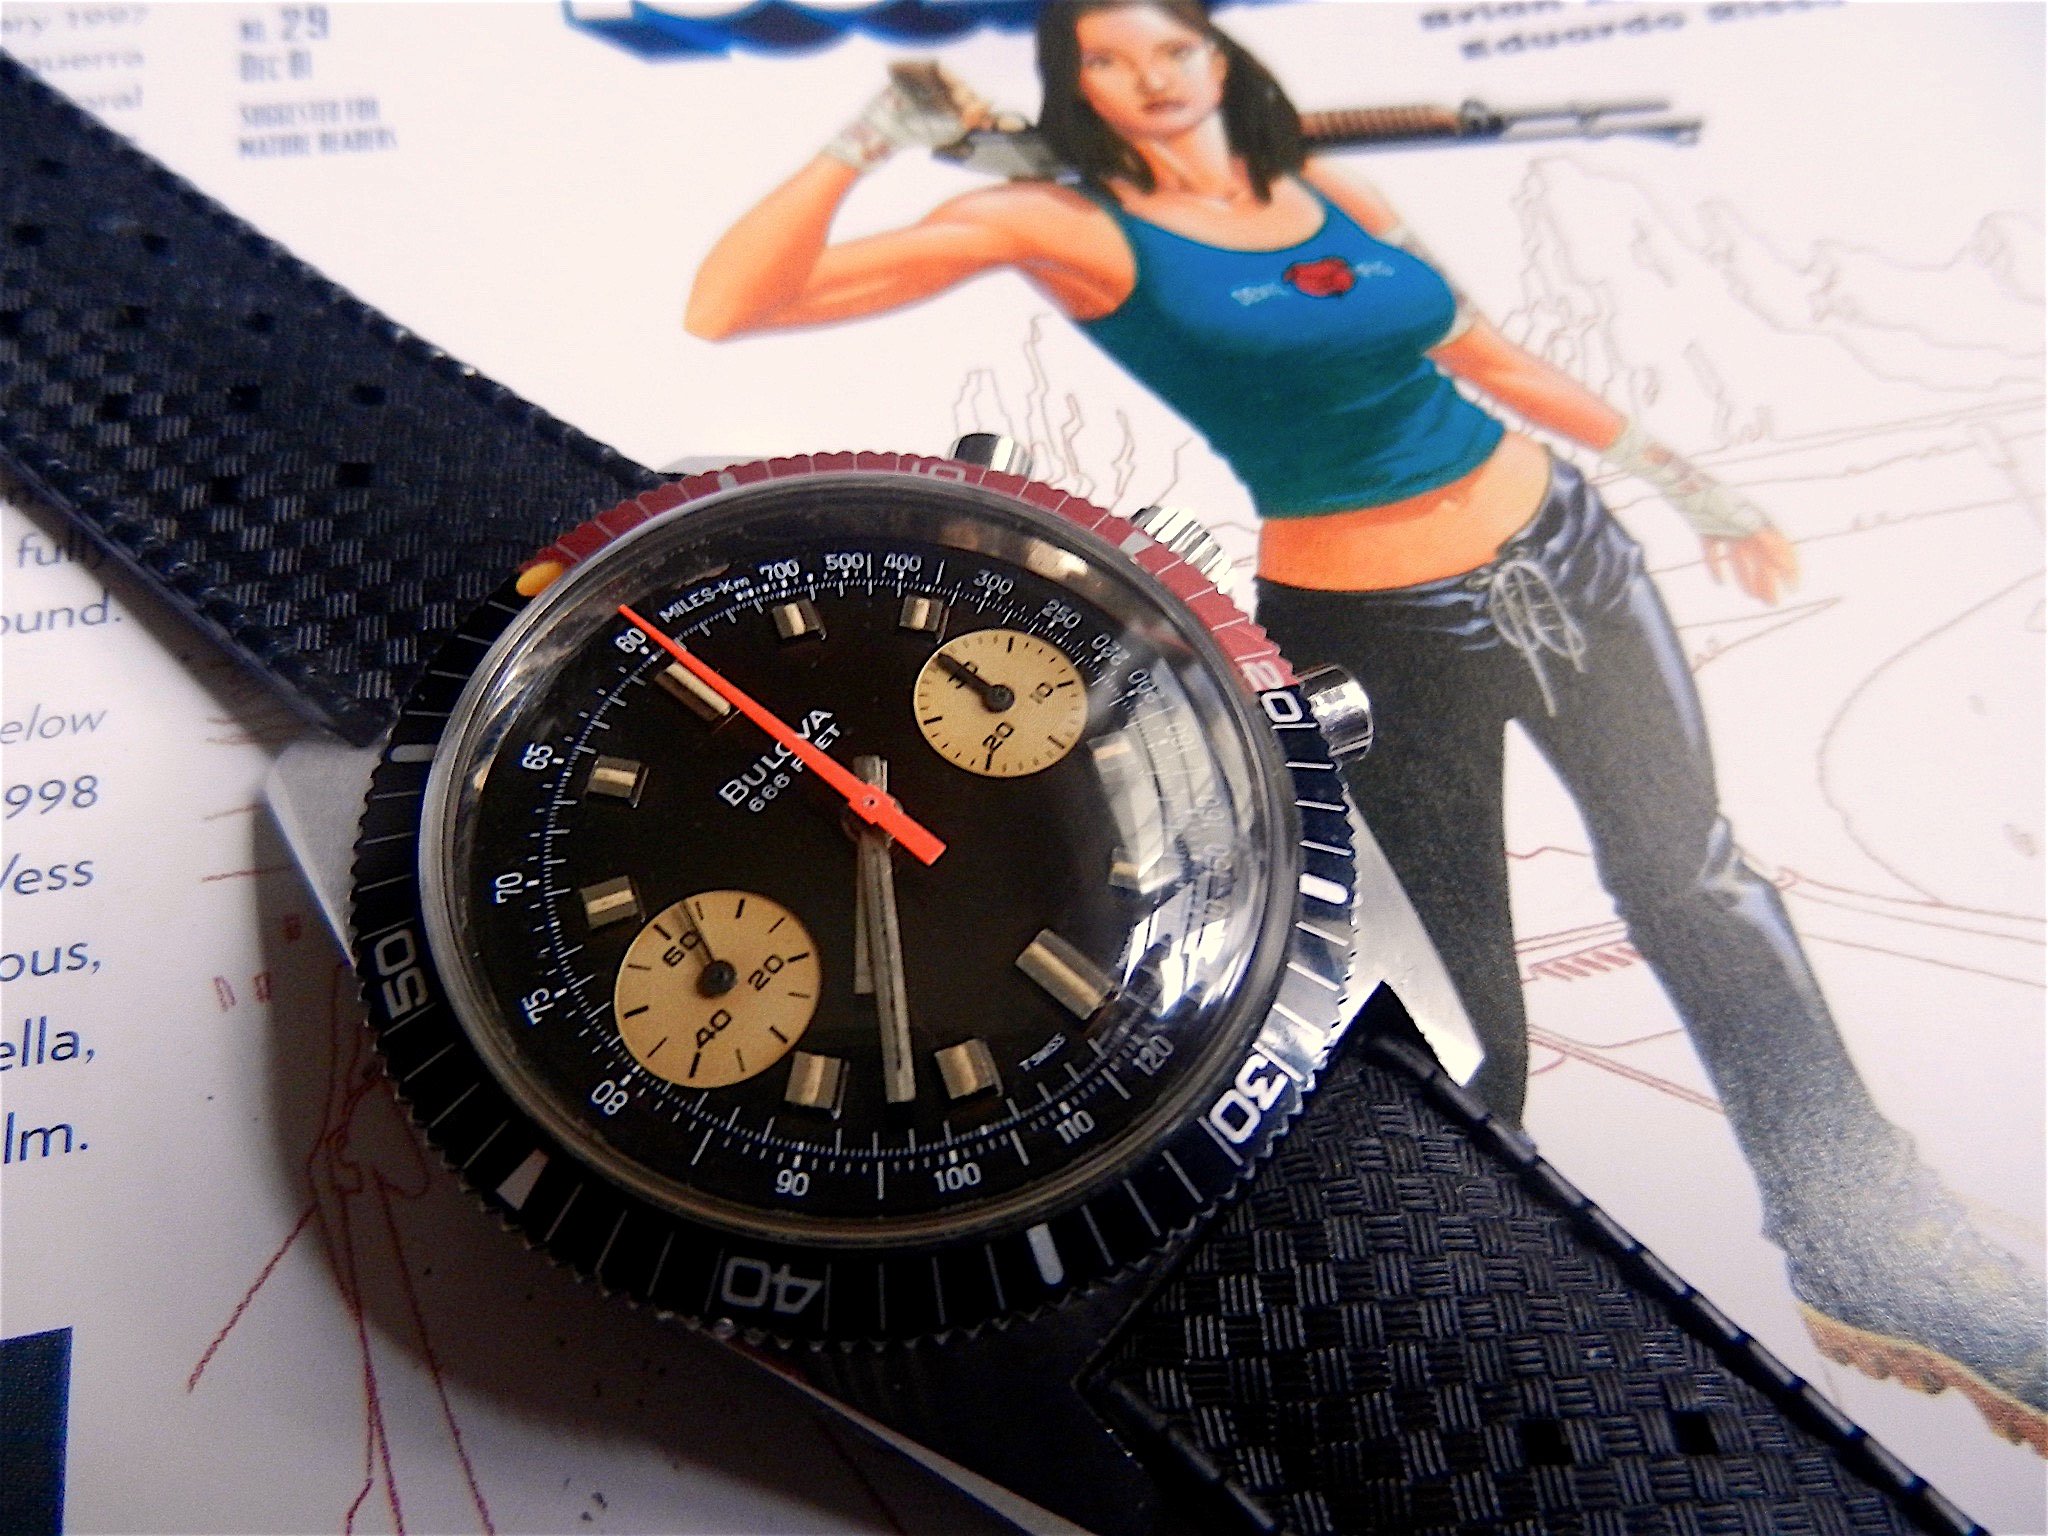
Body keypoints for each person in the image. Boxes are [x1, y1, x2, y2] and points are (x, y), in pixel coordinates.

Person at [685, 0, 2045, 1453]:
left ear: (1220, 54)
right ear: (1072, 85)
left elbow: (1486, 354)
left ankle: (1872, 1247)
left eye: (1173, 46)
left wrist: (1680, 477)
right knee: (1466, 998)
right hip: (1375, 623)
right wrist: (869, 138)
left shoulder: (1327, 185)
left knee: (1699, 879)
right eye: (1108, 60)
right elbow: (733, 304)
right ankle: (1510, 1344)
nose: (1151, 78)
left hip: (1567, 550)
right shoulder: (1068, 228)